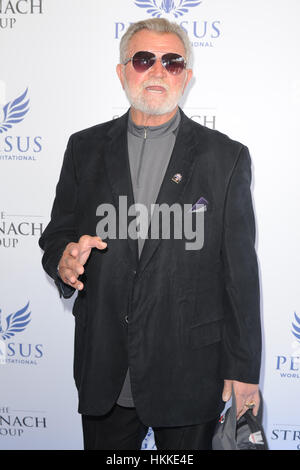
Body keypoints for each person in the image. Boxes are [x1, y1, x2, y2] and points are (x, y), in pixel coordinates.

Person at [39, 18, 262, 450]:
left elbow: (241, 274)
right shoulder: (83, 149)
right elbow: (58, 235)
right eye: (143, 60)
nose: (158, 71)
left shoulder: (226, 157)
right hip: (106, 368)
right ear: (122, 72)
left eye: (172, 62)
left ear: (187, 76)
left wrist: (244, 370)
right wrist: (63, 259)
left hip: (191, 372)